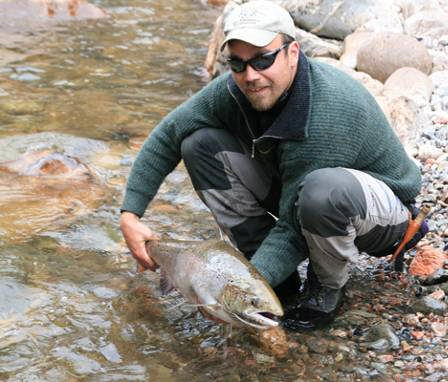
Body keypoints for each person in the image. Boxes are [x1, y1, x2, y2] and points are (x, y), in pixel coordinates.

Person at [120, 0, 425, 329]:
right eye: (238, 64)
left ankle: (327, 288)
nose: (251, 75)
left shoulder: (327, 109)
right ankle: (269, 272)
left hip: (384, 217)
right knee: (198, 145)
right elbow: (169, 133)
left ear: (293, 53)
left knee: (321, 192)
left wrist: (231, 291)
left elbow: (294, 226)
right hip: (303, 190)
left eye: (263, 59)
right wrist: (130, 214)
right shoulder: (237, 88)